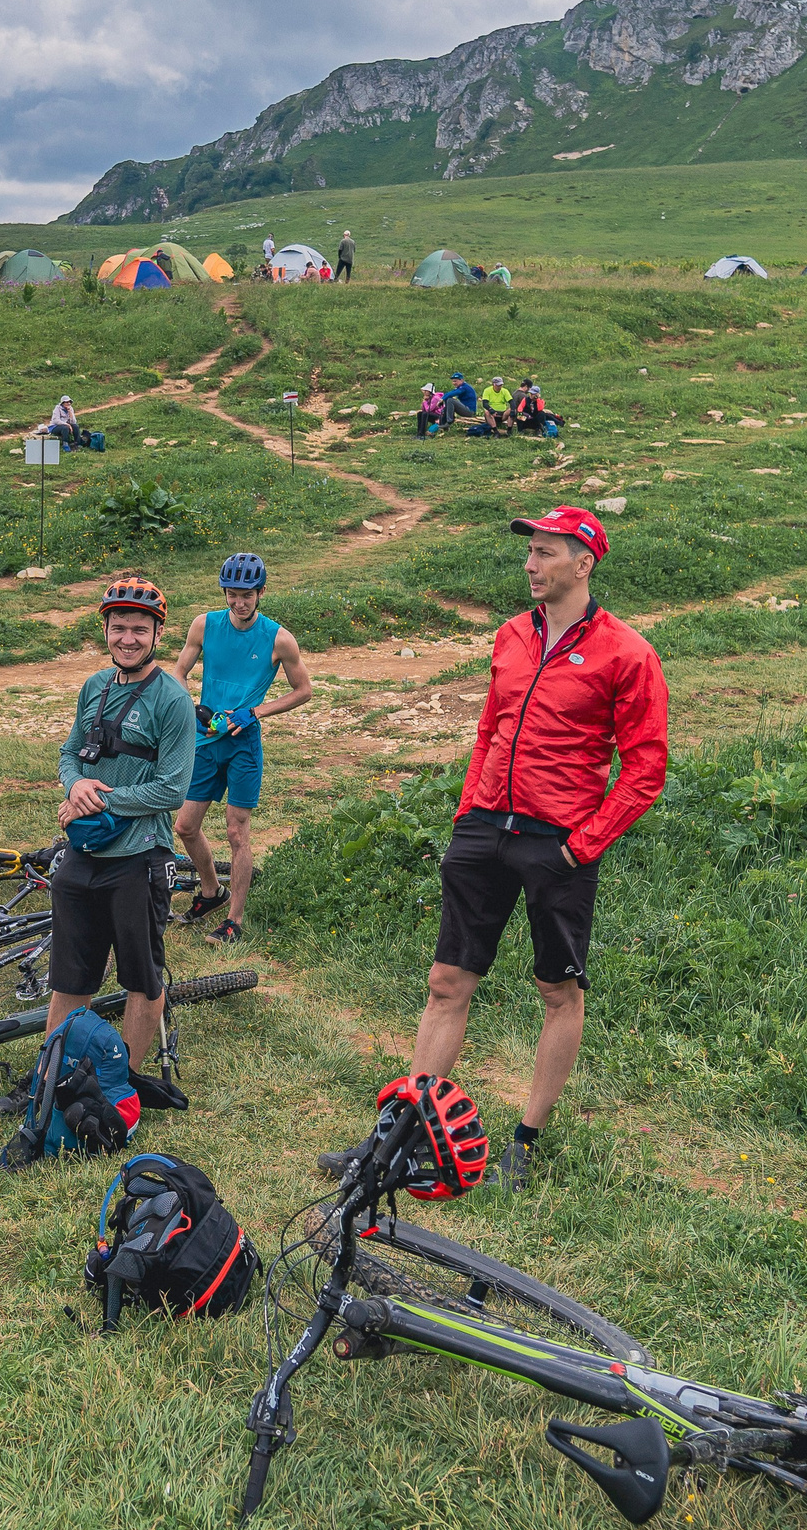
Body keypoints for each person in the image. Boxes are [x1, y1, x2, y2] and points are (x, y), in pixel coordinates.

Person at [319, 507, 668, 1193]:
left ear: (583, 563)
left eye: (545, 553)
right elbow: (490, 728)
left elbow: (645, 767)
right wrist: (467, 812)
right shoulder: (511, 636)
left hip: (556, 842)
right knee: (446, 983)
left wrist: (582, 846)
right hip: (485, 829)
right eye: (529, 552)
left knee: (556, 989)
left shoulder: (627, 652)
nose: (530, 565)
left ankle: (525, 1144)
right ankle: (400, 1134)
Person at [45, 579, 195, 1092]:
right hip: (85, 851)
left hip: (139, 857)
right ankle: (53, 1076)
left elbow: (173, 790)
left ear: (157, 634)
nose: (127, 638)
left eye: (139, 629)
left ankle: (119, 1082)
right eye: (118, 627)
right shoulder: (95, 687)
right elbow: (69, 752)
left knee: (141, 976)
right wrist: (76, 783)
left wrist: (101, 798)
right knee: (70, 977)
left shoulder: (172, 700)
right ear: (105, 630)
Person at [173, 555, 312, 944]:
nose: (239, 603)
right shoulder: (204, 624)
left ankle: (233, 920)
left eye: (247, 595)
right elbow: (178, 672)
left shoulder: (278, 638)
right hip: (205, 739)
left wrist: (255, 712)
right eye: (232, 595)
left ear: (261, 592)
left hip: (243, 746)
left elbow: (304, 691)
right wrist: (190, 707)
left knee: (237, 832)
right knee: (185, 826)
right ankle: (210, 892)